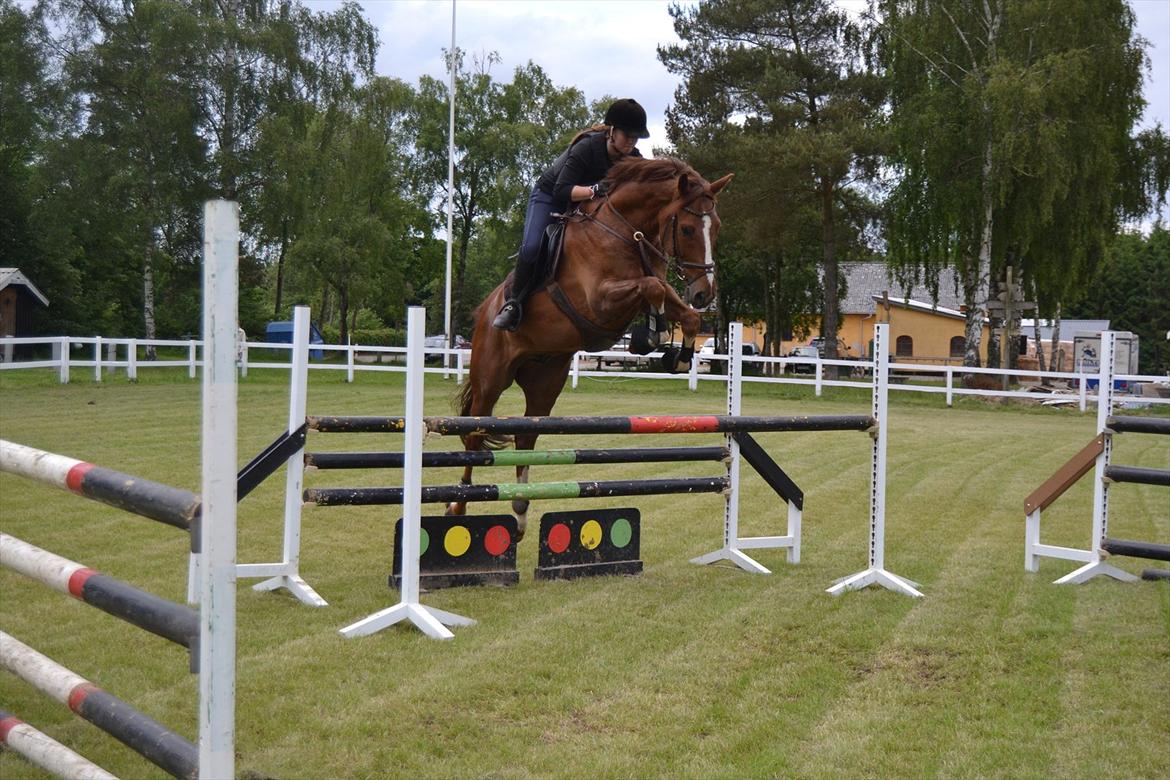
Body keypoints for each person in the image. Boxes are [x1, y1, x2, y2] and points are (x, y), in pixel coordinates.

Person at [491, 98, 651, 331]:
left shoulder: (633, 159)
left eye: (636, 137)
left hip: (586, 204)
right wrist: (594, 190)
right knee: (533, 246)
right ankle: (514, 303)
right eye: (628, 135)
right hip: (550, 197)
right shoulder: (587, 148)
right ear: (612, 131)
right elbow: (562, 190)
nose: (632, 141)